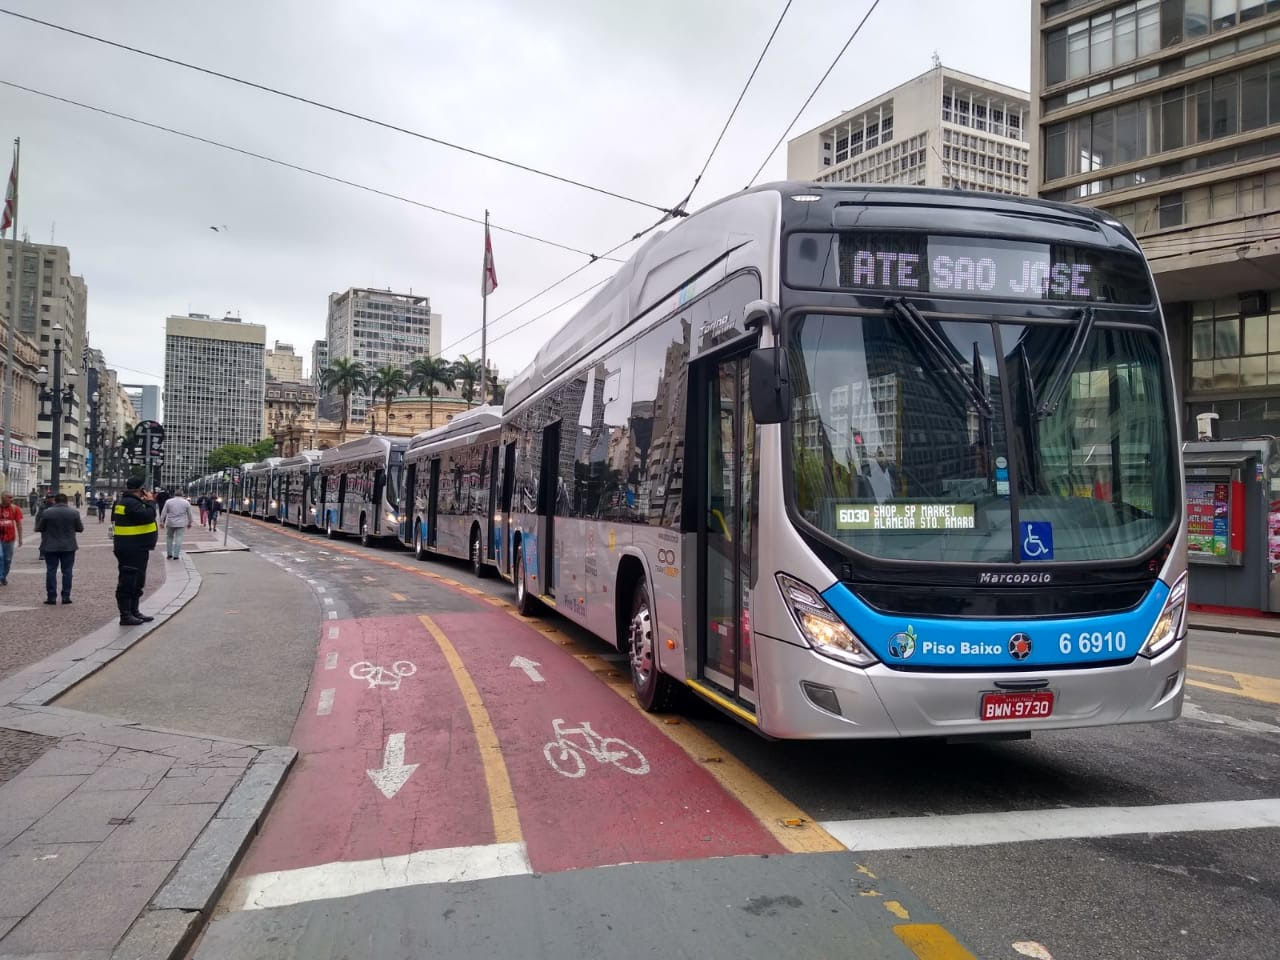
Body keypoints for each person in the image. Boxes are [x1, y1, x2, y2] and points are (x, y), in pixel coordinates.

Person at [112, 477, 158, 626]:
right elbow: (148, 516)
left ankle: (134, 611)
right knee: (128, 581)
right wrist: (151, 501)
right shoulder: (131, 503)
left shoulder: (127, 501)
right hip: (132, 548)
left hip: (135, 547)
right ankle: (126, 615)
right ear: (141, 489)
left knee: (137, 581)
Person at [35, 493, 83, 604]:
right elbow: (80, 528)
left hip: (50, 546)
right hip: (68, 546)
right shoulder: (74, 512)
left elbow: (40, 528)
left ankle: (51, 597)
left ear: (55, 501)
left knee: (51, 571)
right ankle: (66, 596)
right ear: (66, 501)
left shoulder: (47, 512)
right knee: (67, 571)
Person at [160, 489, 193, 560]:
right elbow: (189, 514)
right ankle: (176, 555)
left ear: (174, 494)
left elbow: (163, 512)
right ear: (182, 494)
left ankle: (169, 554)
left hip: (170, 522)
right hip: (181, 523)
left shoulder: (168, 501)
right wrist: (190, 522)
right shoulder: (186, 502)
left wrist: (161, 522)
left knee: (169, 538)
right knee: (179, 538)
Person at [0, 491, 23, 586]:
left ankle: (4, 576)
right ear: (3, 497)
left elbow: (18, 524)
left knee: (8, 559)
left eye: (12, 497)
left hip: (10, 538)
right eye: (9, 497)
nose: (11, 499)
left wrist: (20, 538)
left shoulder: (15, 509)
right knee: (0, 556)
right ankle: (0, 576)